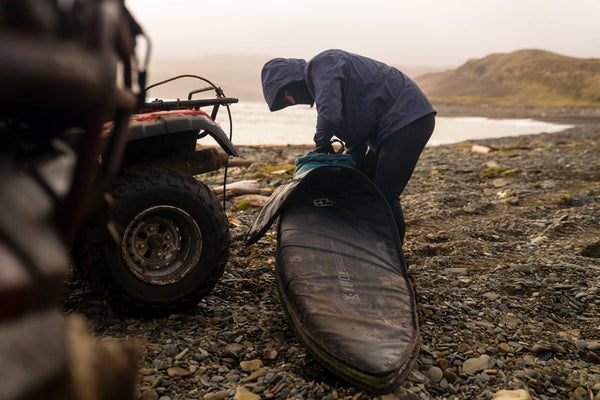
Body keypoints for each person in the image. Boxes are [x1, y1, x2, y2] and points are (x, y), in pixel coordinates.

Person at [261, 49, 436, 243]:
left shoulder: (323, 65)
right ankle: (365, 244)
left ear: (292, 80)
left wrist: (320, 146)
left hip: (408, 117)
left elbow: (329, 118)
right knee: (364, 186)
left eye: (286, 95)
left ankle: (396, 258)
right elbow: (355, 141)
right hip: (391, 128)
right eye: (286, 101)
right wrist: (349, 175)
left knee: (385, 193)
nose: (291, 101)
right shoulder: (329, 90)